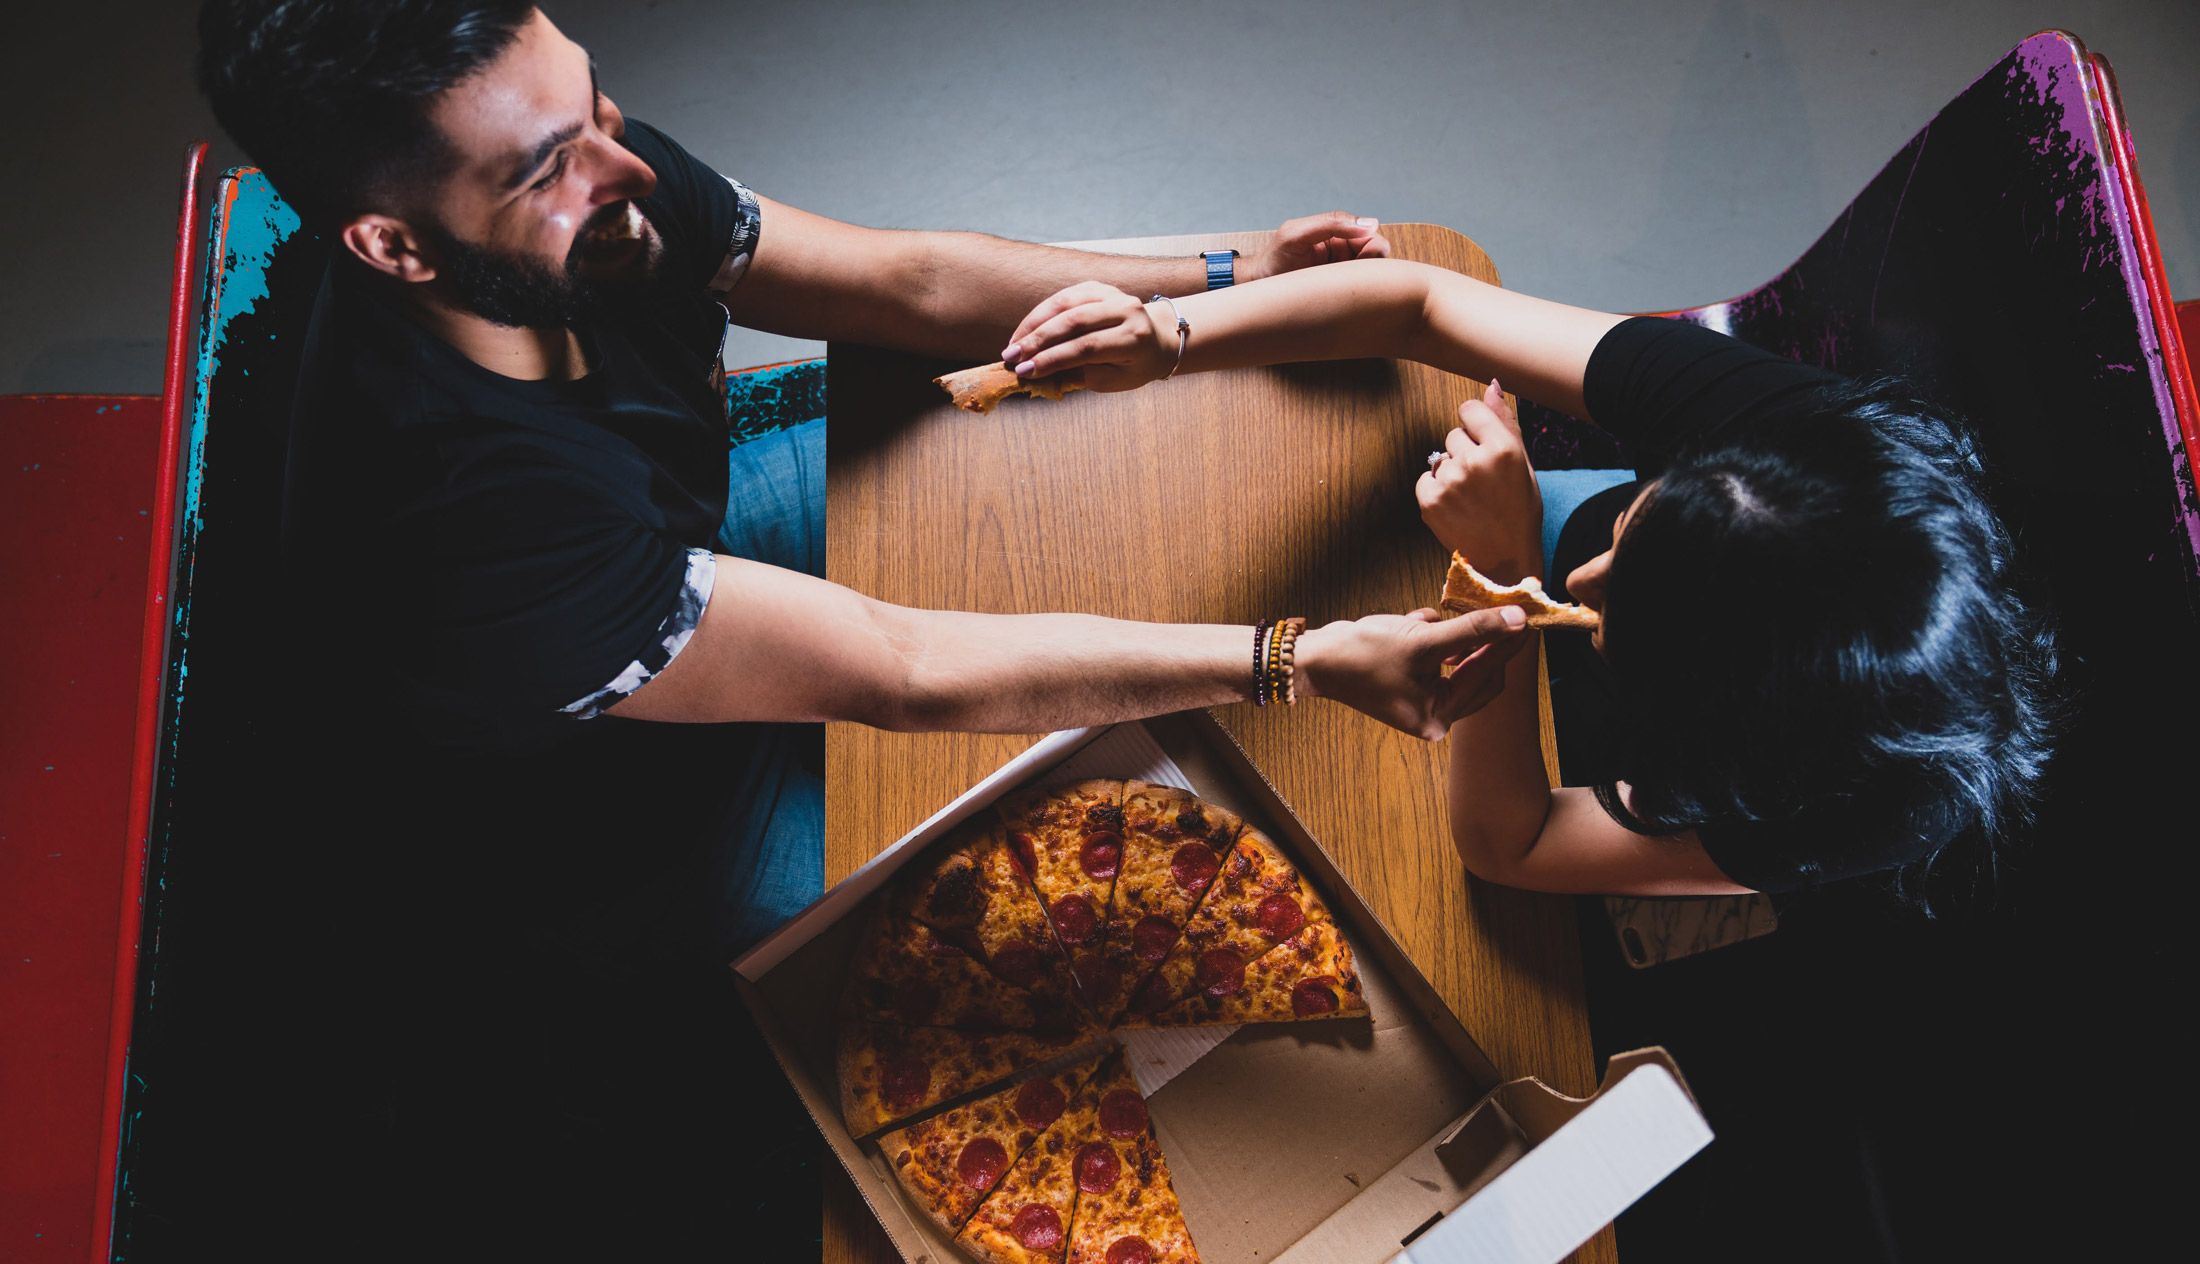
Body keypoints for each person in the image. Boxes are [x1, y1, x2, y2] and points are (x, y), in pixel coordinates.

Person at [194, 0, 1533, 963]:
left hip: (682, 557)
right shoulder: (473, 525)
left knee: (1103, 509)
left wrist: (1239, 271)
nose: (628, 164)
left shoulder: (587, 188)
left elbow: (907, 283)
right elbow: (898, 668)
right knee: (1108, 944)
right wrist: (1295, 657)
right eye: (552, 167)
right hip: (617, 809)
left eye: (593, 101)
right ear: (395, 246)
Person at [996, 261, 2060, 897]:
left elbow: (1510, 843)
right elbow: (1420, 301)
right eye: (1637, 527)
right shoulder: (1791, 454)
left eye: (1606, 608)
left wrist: (1500, 581)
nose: (1584, 573)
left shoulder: (1861, 802)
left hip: (1570, 733)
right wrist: (1171, 334)